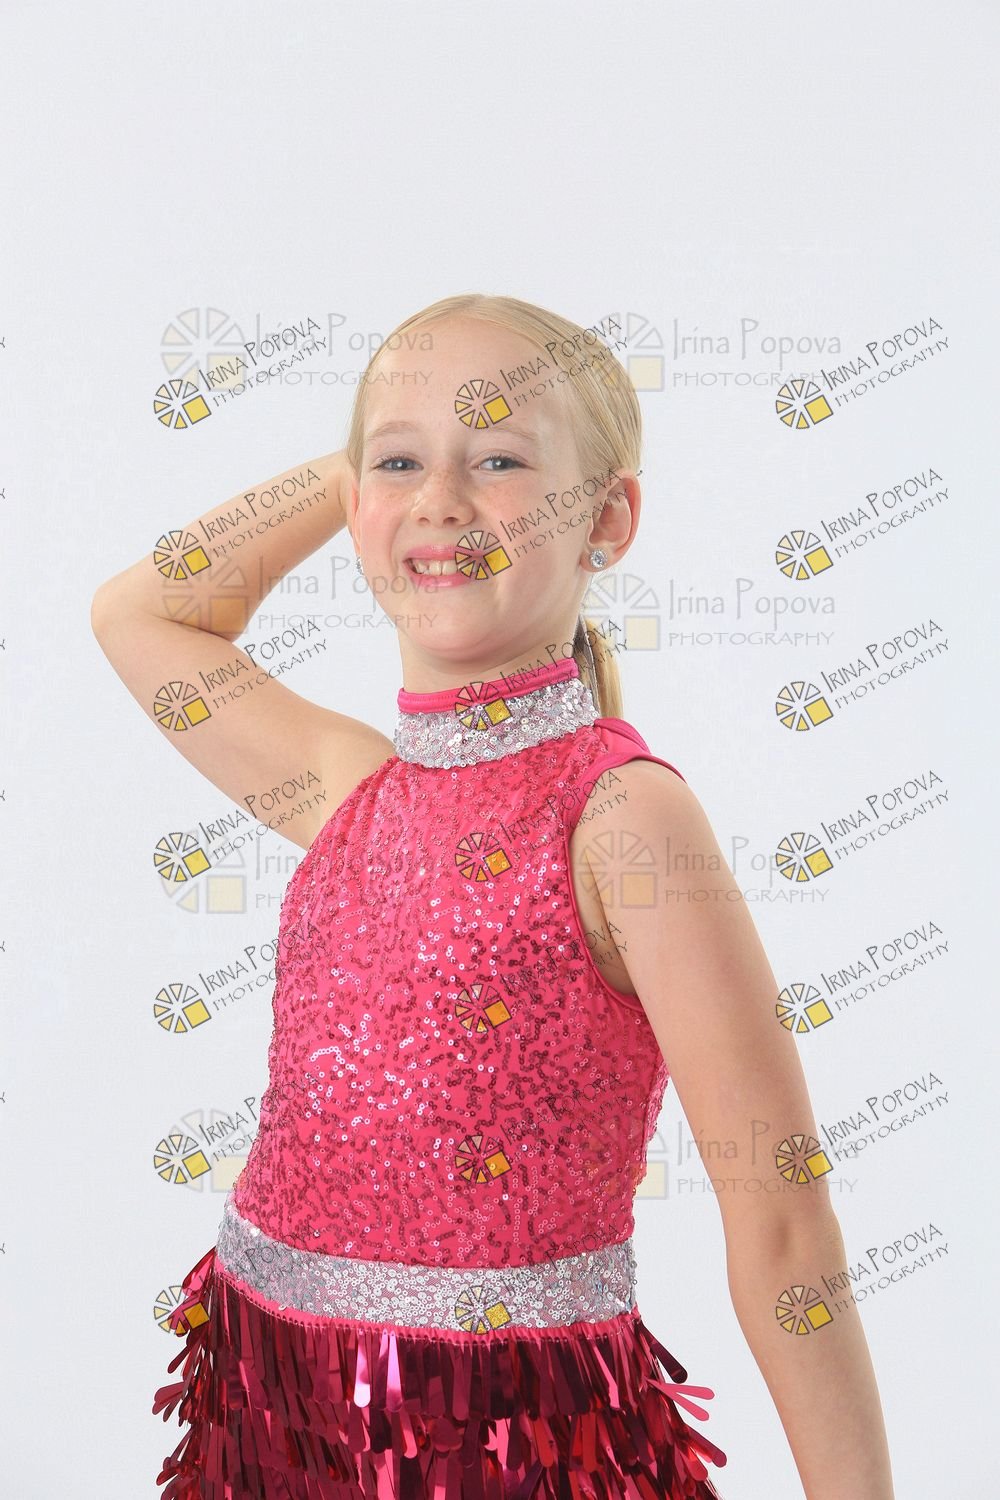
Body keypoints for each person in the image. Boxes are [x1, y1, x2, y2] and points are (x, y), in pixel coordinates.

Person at [91, 293, 895, 1500]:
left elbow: (783, 1220)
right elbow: (140, 613)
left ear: (606, 519)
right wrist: (363, 473)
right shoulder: (348, 790)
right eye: (402, 464)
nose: (441, 501)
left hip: (511, 1443)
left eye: (501, 460)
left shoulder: (621, 821)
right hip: (271, 1422)